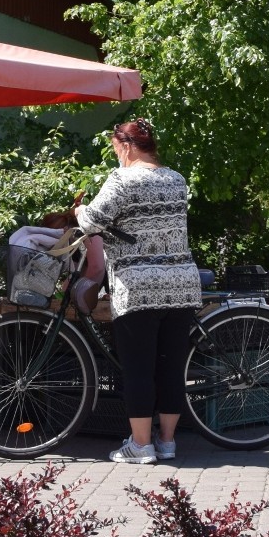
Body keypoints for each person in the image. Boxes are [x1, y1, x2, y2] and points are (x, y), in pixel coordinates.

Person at [74, 118, 202, 464]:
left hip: (139, 287)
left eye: (116, 148)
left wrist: (79, 210)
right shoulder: (176, 179)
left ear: (126, 146)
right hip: (181, 284)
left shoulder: (123, 179)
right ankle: (168, 442)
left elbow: (93, 221)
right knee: (172, 367)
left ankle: (141, 446)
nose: (116, 154)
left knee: (139, 369)